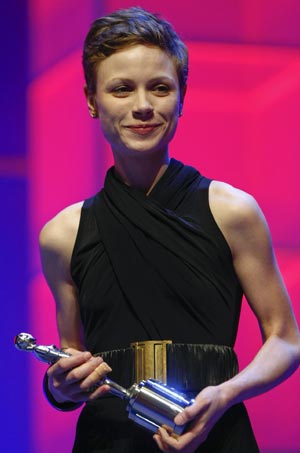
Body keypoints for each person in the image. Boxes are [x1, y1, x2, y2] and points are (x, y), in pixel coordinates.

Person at [39, 6, 300, 453]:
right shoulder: (62, 235)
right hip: (109, 440)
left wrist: (226, 393)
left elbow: (286, 339)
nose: (143, 105)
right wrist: (59, 387)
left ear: (182, 96)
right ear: (90, 100)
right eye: (121, 89)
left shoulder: (232, 211)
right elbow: (72, 360)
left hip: (217, 433)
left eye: (160, 87)